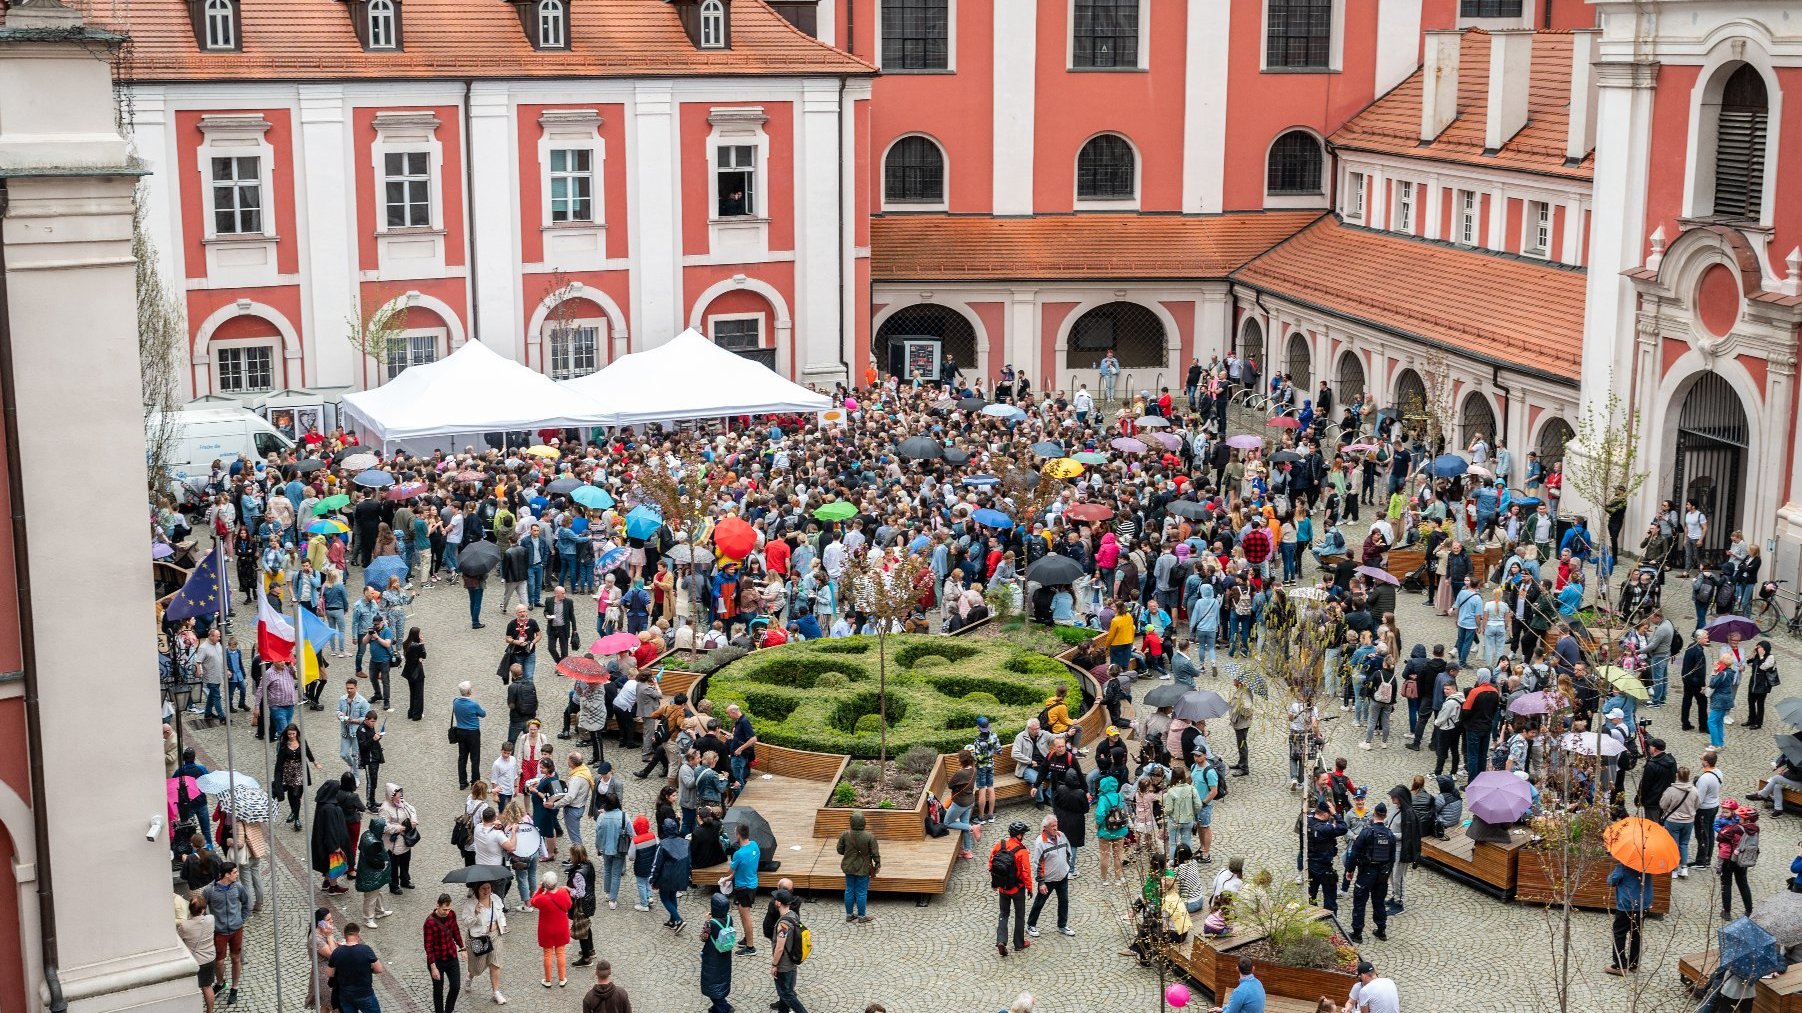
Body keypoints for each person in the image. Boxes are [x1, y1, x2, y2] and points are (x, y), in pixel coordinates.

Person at [1344, 802, 1394, 944]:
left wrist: (1349, 870)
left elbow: (1354, 853)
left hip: (1366, 873)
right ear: (1385, 817)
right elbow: (1392, 857)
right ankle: (1381, 930)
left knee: (1360, 902)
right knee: (1379, 902)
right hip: (1382, 874)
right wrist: (1386, 873)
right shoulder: (1390, 835)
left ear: (1374, 815)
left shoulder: (1366, 833)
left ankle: (1357, 933)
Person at [202, 862, 252, 1005]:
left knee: (236, 959)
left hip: (236, 930)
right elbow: (202, 908)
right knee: (219, 961)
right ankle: (220, 982)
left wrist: (241, 920)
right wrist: (210, 924)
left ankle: (234, 987)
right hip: (220, 932)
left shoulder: (238, 887)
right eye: (235, 872)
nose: (237, 874)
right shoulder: (210, 890)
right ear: (227, 875)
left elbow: (246, 903)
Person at [1026, 813, 1075, 939]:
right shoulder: (1040, 843)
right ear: (1045, 828)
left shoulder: (1061, 836)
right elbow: (1037, 864)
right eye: (1052, 826)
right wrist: (1041, 882)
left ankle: (1062, 925)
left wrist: (1067, 867)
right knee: (1040, 902)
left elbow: (1068, 852)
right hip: (1048, 880)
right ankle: (1031, 925)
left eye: (1056, 825)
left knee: (1064, 901)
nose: (1055, 828)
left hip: (1062, 876)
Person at [460, 881, 508, 1006]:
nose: (486, 891)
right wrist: (475, 914)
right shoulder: (471, 904)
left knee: (495, 964)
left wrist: (502, 926)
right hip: (478, 938)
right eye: (483, 888)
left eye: (488, 888)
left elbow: (501, 914)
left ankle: (496, 992)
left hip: (495, 936)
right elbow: (466, 923)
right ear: (477, 889)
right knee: (478, 968)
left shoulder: (495, 899)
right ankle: (470, 975)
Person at [991, 819, 1034, 957]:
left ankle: (1001, 941)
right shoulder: (1022, 851)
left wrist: (996, 882)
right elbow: (1026, 871)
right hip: (1017, 889)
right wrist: (1030, 888)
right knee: (1019, 915)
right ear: (1019, 835)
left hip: (1003, 888)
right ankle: (1019, 944)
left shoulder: (1000, 845)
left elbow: (991, 863)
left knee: (1003, 914)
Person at [1605, 860, 1653, 975]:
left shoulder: (1623, 867)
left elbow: (1611, 881)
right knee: (1636, 933)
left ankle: (1620, 965)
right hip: (1643, 904)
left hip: (1627, 905)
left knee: (1619, 933)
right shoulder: (1648, 865)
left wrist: (1612, 872)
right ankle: (1634, 963)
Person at [327, 922, 385, 1013]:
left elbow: (330, 973)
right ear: (358, 935)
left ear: (345, 935)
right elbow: (379, 969)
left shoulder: (337, 952)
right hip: (365, 994)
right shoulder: (366, 950)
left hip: (346, 996)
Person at [529, 870, 573, 989]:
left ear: (545, 884)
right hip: (561, 928)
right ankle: (562, 979)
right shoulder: (563, 892)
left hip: (546, 929)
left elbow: (532, 901)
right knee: (561, 953)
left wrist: (539, 889)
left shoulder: (542, 899)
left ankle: (548, 980)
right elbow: (569, 905)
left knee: (548, 954)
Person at [836, 810, 880, 924]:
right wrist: (877, 864)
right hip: (863, 868)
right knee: (861, 892)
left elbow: (840, 850)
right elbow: (875, 853)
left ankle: (849, 915)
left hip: (848, 866)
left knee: (849, 890)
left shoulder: (845, 834)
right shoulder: (869, 836)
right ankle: (861, 916)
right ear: (863, 822)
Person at [423, 893, 465, 1013]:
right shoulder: (429, 922)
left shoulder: (452, 914)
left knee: (456, 986)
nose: (447, 912)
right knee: (438, 990)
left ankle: (449, 1010)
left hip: (451, 956)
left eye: (449, 909)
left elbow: (456, 931)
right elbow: (428, 946)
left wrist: (462, 948)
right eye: (444, 909)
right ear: (438, 906)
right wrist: (433, 967)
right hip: (437, 961)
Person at [176, 894, 217, 1013]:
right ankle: (210, 1011)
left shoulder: (185, 926)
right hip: (209, 958)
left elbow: (179, 939)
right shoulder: (211, 919)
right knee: (207, 986)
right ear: (203, 909)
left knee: (193, 988)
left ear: (190, 909)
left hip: (195, 961)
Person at [354, 816, 393, 927]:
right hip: (371, 874)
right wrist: (383, 864)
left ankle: (380, 911)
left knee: (376, 892)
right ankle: (368, 918)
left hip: (367, 871)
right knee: (371, 896)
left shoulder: (366, 834)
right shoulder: (374, 842)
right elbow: (372, 860)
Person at [728, 823, 760, 954]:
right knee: (743, 914)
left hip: (743, 888)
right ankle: (747, 939)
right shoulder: (755, 845)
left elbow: (730, 870)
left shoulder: (738, 854)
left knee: (745, 917)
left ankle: (750, 947)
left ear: (738, 835)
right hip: (752, 884)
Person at [699, 892, 734, 1013]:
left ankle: (724, 1007)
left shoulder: (711, 923)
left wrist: (707, 921)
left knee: (711, 983)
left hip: (712, 957)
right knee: (721, 979)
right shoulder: (730, 919)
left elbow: (703, 937)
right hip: (725, 955)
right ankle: (717, 1007)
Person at [453, 682, 486, 790]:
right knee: (475, 758)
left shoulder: (456, 702)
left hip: (460, 732)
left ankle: (462, 782)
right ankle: (475, 782)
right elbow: (482, 714)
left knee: (462, 757)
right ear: (468, 692)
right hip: (472, 733)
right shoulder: (473, 704)